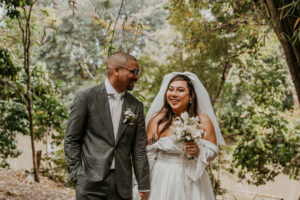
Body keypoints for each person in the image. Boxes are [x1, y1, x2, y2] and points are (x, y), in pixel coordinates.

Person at [64, 52, 150, 200]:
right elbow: (72, 139)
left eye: (138, 72)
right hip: (90, 183)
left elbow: (139, 149)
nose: (137, 76)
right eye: (133, 71)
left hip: (122, 185)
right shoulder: (86, 98)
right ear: (116, 70)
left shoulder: (136, 106)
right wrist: (77, 174)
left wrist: (143, 184)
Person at [133, 72, 225, 200]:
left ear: (191, 96)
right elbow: (148, 154)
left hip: (193, 179)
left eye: (180, 90)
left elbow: (213, 150)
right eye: (170, 90)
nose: (174, 94)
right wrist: (141, 185)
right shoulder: (158, 120)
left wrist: (199, 151)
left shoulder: (203, 119)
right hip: (163, 178)